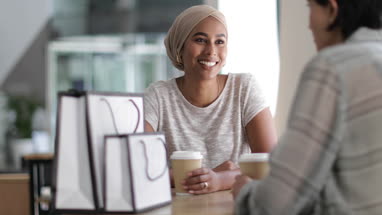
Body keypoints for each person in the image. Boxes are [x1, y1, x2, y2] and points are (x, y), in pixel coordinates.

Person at [232, 0, 382, 214]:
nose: (309, 25)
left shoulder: (331, 67)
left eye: (310, 8)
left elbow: (275, 203)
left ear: (331, 10)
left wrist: (244, 194)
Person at [144, 5, 277, 195]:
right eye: (200, 40)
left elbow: (272, 165)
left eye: (220, 41)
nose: (211, 51)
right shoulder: (157, 97)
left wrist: (221, 180)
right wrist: (210, 176)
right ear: (180, 46)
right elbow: (138, 171)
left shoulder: (244, 88)